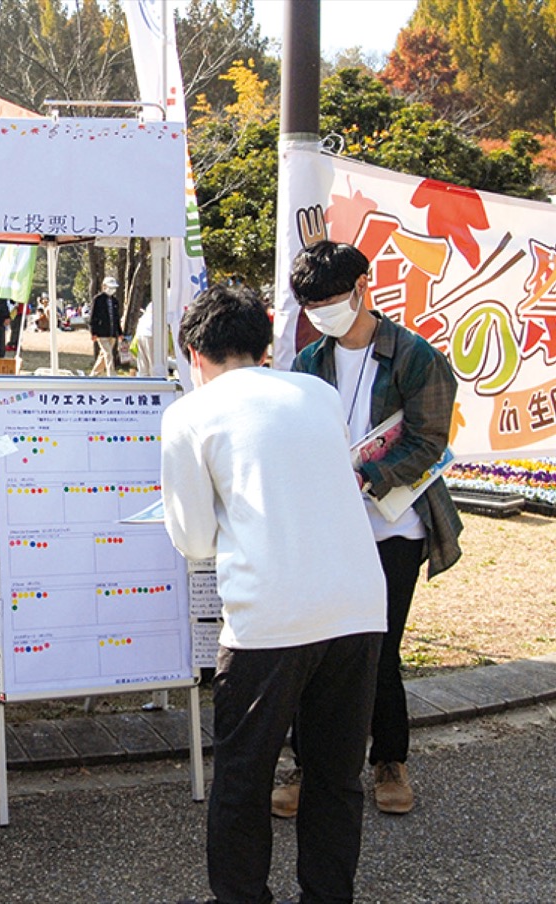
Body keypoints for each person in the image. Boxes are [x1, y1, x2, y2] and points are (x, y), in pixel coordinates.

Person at [161, 284, 386, 904]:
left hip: (269, 617)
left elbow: (193, 539)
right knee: (336, 776)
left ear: (194, 354)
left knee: (243, 777)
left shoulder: (188, 413)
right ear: (264, 348)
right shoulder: (317, 393)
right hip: (357, 603)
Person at [273, 240, 463, 818]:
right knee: (314, 646)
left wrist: (367, 476)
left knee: (379, 649)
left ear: (363, 287)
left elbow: (429, 440)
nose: (321, 314)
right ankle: (308, 764)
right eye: (311, 306)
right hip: (328, 525)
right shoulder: (310, 362)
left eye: (329, 301)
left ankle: (389, 760)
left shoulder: (414, 357)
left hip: (394, 526)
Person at [90, 276, 122, 376]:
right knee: (108, 354)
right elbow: (93, 317)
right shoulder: (98, 299)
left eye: (114, 288)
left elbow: (116, 318)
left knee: (103, 355)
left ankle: (93, 375)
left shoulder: (115, 301)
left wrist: (119, 332)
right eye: (110, 287)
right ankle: (111, 374)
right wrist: (93, 332)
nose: (112, 290)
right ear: (104, 286)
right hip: (101, 333)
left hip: (112, 333)